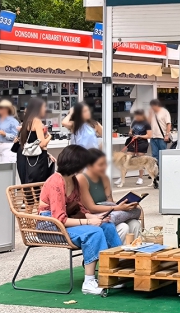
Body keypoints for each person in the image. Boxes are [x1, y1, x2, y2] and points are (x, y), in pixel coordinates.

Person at [38, 145, 122, 295]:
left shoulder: (74, 180)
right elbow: (59, 218)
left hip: (65, 220)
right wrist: (89, 222)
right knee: (94, 232)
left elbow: (80, 209)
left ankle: (113, 273)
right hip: (49, 225)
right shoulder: (56, 182)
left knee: (107, 226)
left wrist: (96, 218)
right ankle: (89, 282)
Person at [77, 148, 142, 243]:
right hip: (92, 216)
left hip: (109, 212)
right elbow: (91, 208)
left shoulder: (104, 178)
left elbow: (109, 202)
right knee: (123, 227)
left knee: (135, 224)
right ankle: (116, 255)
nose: (104, 167)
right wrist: (117, 208)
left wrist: (124, 205)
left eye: (105, 164)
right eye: (100, 165)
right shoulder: (81, 179)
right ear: (89, 165)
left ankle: (134, 253)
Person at [14, 97, 54, 184]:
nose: (45, 110)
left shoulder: (27, 121)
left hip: (24, 156)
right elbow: (42, 144)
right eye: (44, 107)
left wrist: (47, 154)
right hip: (36, 160)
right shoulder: (37, 121)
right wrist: (50, 136)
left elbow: (30, 142)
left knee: (27, 187)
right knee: (38, 188)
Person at [123, 110, 152, 186]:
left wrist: (139, 136)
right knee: (127, 159)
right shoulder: (134, 122)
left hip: (142, 142)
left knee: (140, 160)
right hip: (133, 142)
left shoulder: (147, 124)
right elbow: (131, 131)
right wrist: (130, 133)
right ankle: (123, 176)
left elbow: (149, 135)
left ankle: (140, 178)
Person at [148, 98, 172, 168]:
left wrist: (167, 135)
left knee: (162, 155)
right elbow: (148, 123)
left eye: (153, 106)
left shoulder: (164, 112)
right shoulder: (152, 113)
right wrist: (150, 114)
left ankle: (163, 170)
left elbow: (168, 124)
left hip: (162, 137)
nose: (152, 108)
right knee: (154, 155)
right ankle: (156, 172)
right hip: (153, 137)